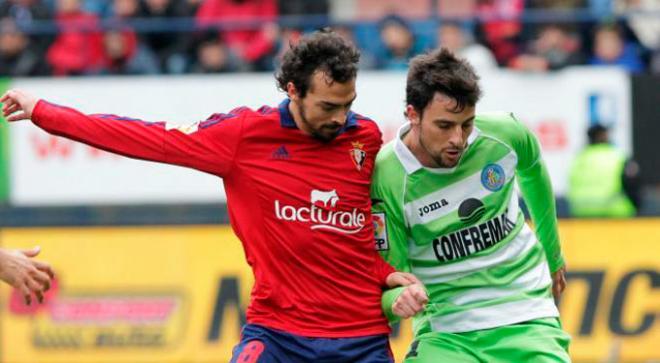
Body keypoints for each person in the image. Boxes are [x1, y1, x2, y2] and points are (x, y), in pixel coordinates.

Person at [1, 30, 418, 363]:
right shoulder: (243, 137)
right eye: (328, 106)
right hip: (278, 335)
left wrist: (384, 272)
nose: (340, 117)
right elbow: (142, 137)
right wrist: (43, 111)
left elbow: (360, 229)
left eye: (348, 105)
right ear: (293, 90)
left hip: (360, 339)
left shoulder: (362, 137)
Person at [372, 48, 571, 362]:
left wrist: (552, 253)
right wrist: (397, 300)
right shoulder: (387, 175)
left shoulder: (504, 132)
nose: (458, 139)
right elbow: (393, 278)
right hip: (447, 332)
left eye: (466, 124)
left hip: (527, 315)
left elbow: (533, 169)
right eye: (445, 125)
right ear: (413, 114)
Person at [568, 124, 641, 218]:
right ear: (604, 136)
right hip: (614, 214)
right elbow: (632, 184)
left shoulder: (579, 158)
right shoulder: (617, 157)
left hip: (581, 213)